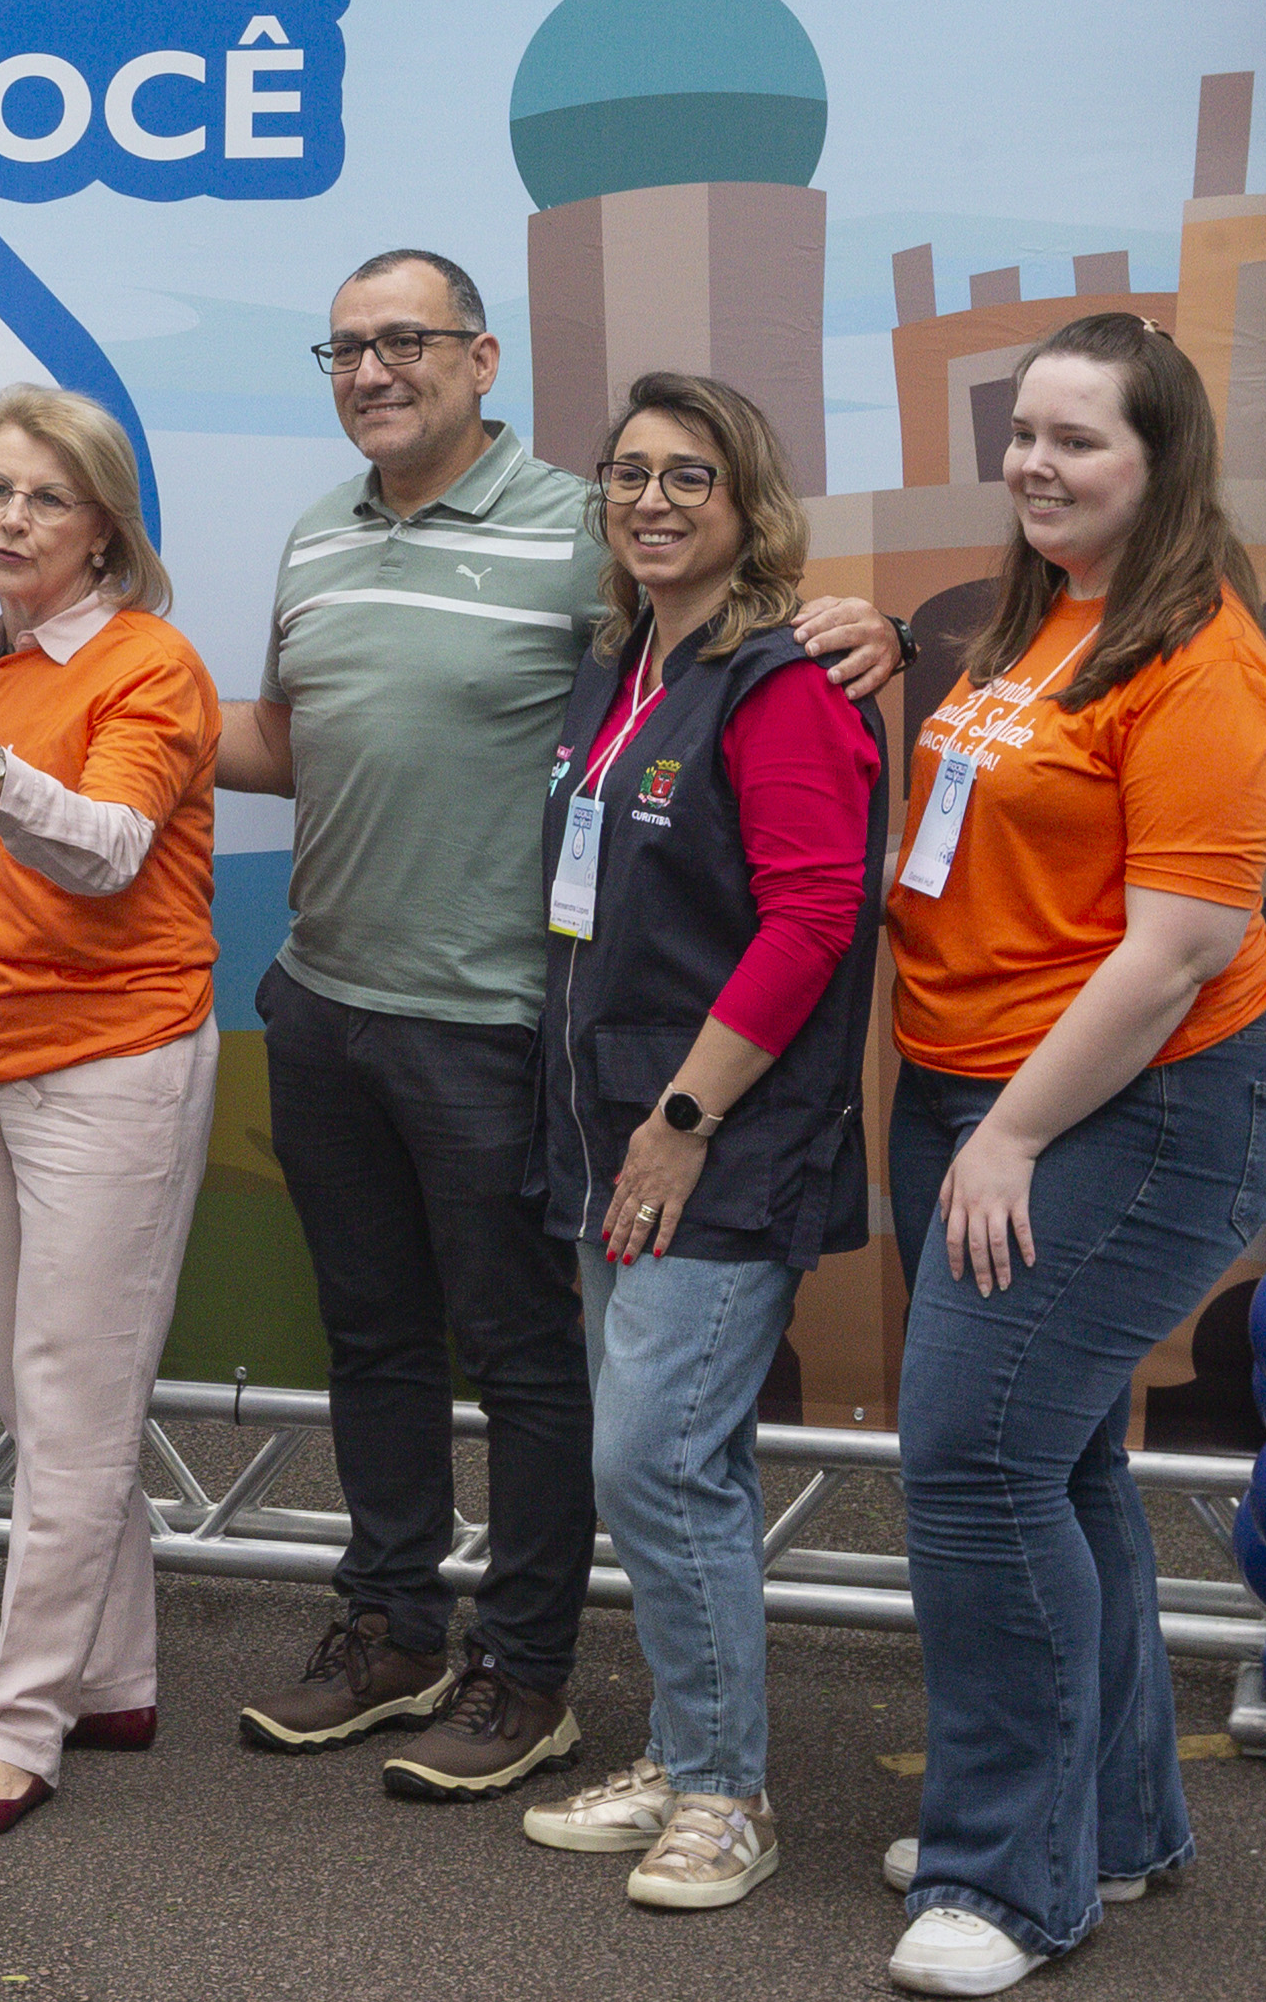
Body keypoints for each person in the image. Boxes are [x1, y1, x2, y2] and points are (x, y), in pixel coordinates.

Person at [211, 251, 899, 1801]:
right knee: (373, 1340)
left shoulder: (572, 531)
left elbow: (747, 637)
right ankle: (391, 1629)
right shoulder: (321, 532)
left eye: (407, 339)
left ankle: (523, 1670)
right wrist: (81, 705)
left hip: (497, 1025)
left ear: (481, 357)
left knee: (528, 1366)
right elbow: (288, 736)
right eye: (345, 347)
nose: (373, 369)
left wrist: (875, 631)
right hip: (325, 998)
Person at [874, 314, 1266, 1998]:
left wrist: (1015, 1132)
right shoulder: (1042, 613)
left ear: (1161, 459)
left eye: (1080, 440)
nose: (1038, 465)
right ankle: (1103, 1821)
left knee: (975, 1462)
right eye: (1025, 434)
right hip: (973, 1081)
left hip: (1132, 1101)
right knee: (1052, 1463)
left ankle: (1008, 1880)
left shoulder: (1202, 657)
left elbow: (1179, 946)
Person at [513, 374, 884, 1907]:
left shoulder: (781, 683)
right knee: (670, 1460)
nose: (651, 499)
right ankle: (684, 1748)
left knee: (656, 1457)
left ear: (749, 505)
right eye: (629, 472)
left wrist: (681, 1120)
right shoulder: (624, 663)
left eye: (689, 475)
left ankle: (729, 1791)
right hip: (611, 1131)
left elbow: (811, 922)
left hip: (713, 1140)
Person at [0, 388, 222, 1846]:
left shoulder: (149, 665)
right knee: (44, 1403)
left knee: (75, 1415)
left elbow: (110, 851)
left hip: (114, 1063)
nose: (12, 519)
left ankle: (23, 1727)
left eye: (47, 498)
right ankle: (112, 1677)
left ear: (104, 531)